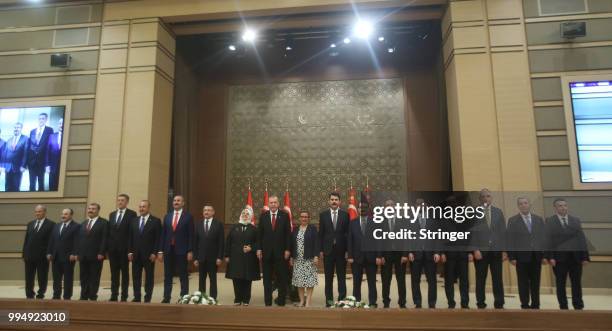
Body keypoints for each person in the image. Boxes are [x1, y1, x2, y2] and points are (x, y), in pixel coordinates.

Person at [546, 198, 590, 310]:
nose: (563, 207)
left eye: (565, 205)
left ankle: (578, 305)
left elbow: (581, 239)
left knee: (576, 283)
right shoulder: (549, 221)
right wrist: (550, 257)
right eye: (560, 206)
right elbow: (547, 241)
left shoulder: (575, 220)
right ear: (555, 208)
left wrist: (585, 257)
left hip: (576, 258)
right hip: (559, 259)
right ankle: (563, 306)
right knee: (560, 284)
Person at [507, 197, 547, 309]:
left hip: (536, 256)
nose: (523, 205)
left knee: (535, 281)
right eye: (521, 204)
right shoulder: (512, 220)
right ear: (518, 206)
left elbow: (543, 239)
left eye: (525, 203)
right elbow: (510, 240)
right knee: (523, 282)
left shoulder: (538, 219)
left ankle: (536, 304)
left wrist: (544, 255)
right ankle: (524, 304)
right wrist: (512, 256)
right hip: (521, 257)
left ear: (529, 205)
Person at [471, 188, 506, 309]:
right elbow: (471, 234)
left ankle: (499, 303)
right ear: (480, 199)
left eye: (488, 196)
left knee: (498, 279)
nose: (486, 198)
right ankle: (480, 303)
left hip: (496, 251)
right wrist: (475, 250)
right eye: (484, 196)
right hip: (480, 252)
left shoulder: (498, 212)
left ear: (491, 198)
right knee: (480, 279)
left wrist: (504, 250)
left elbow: (503, 233)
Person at [257, 195, 291, 306]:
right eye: (271, 203)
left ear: (278, 204)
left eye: (275, 202)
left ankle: (281, 301)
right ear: (269, 204)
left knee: (282, 278)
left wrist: (287, 249)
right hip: (266, 253)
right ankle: (268, 302)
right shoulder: (263, 216)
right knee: (266, 279)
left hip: (281, 253)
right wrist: (259, 249)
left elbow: (288, 235)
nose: (272, 204)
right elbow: (259, 235)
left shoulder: (285, 216)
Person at [159, 195, 194, 303]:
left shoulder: (188, 217)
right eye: (174, 200)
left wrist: (190, 250)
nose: (176, 202)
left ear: (183, 203)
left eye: (178, 200)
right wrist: (160, 251)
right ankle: (166, 297)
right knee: (167, 274)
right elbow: (163, 234)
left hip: (182, 250)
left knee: (183, 274)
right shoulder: (167, 216)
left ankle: (184, 297)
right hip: (168, 249)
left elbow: (191, 235)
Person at [408, 198, 441, 309]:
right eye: (417, 204)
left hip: (430, 255)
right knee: (415, 280)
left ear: (426, 206)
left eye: (422, 204)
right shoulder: (410, 220)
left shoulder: (433, 220)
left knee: (432, 280)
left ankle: (432, 303)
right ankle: (417, 302)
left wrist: (437, 252)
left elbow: (437, 237)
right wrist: (409, 252)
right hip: (415, 255)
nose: (420, 206)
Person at [347, 202, 382, 307]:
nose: (362, 209)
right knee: (356, 283)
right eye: (360, 207)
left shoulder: (375, 222)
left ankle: (372, 302)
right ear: (357, 209)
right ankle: (356, 302)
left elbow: (379, 241)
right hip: (356, 258)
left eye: (365, 208)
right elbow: (350, 240)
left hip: (372, 258)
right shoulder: (352, 223)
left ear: (369, 209)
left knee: (372, 282)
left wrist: (379, 256)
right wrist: (350, 256)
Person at [318, 192, 350, 307]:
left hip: (342, 252)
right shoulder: (323, 215)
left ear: (340, 202)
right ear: (329, 201)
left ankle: (341, 300)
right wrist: (320, 250)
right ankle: (329, 301)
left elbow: (348, 234)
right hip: (328, 251)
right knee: (328, 278)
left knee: (341, 277)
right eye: (332, 199)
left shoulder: (345, 215)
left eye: (336, 199)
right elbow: (321, 234)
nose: (334, 201)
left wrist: (348, 251)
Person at [441, 194, 471, 309]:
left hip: (463, 253)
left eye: (454, 203)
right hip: (449, 254)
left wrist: (469, 252)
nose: (452, 206)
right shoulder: (443, 219)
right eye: (450, 204)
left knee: (464, 279)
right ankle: (451, 302)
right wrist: (442, 252)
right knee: (449, 280)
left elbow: (469, 235)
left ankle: (465, 302)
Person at [128, 200, 161, 303]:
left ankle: (148, 297)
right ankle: (137, 297)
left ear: (148, 208)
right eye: (140, 207)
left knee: (149, 277)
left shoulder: (155, 221)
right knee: (136, 277)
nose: (141, 209)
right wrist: (130, 252)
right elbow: (130, 238)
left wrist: (154, 253)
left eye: (144, 207)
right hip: (136, 254)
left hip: (149, 255)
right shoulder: (134, 220)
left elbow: (158, 238)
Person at [225, 207, 260, 306]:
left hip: (249, 258)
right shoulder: (234, 227)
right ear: (241, 215)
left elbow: (258, 243)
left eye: (247, 214)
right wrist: (227, 255)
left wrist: (251, 248)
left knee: (247, 279)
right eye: (243, 213)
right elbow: (228, 242)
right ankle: (237, 298)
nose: (245, 215)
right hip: (235, 258)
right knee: (236, 278)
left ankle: (246, 299)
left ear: (250, 216)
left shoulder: (254, 229)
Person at [75, 203, 108, 301]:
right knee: (83, 277)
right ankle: (84, 295)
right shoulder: (83, 223)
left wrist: (102, 252)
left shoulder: (104, 223)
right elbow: (79, 240)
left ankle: (93, 295)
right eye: (89, 208)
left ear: (98, 210)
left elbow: (104, 239)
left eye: (93, 209)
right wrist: (78, 253)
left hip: (96, 255)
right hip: (83, 255)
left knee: (94, 277)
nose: (90, 210)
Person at [107, 193, 137, 302]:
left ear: (127, 202)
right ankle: (114, 295)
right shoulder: (112, 214)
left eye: (122, 200)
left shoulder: (132, 214)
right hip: (113, 250)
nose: (120, 202)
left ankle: (124, 296)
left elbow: (131, 233)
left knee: (124, 274)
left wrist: (130, 250)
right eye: (119, 200)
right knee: (114, 274)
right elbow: (109, 233)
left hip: (125, 250)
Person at [380, 199, 408, 308]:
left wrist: (405, 254)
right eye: (387, 205)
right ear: (384, 208)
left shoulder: (403, 220)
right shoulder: (380, 221)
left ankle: (402, 302)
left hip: (400, 255)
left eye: (392, 205)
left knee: (401, 280)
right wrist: (380, 255)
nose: (390, 206)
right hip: (386, 256)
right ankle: (386, 302)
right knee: (386, 280)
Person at [22, 205, 55, 299]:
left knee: (42, 277)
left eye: (39, 211)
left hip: (43, 256)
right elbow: (26, 240)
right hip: (29, 256)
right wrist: (24, 254)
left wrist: (50, 253)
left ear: (44, 212)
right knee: (29, 277)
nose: (37, 213)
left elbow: (51, 241)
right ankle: (29, 294)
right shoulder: (30, 223)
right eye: (36, 211)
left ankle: (41, 293)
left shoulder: (51, 224)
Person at [47, 208, 80, 300]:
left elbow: (77, 241)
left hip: (68, 257)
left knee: (68, 279)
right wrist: (49, 252)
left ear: (71, 215)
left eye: (66, 214)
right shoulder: (57, 226)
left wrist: (74, 253)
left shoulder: (76, 226)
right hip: (55, 256)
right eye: (62, 214)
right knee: (56, 278)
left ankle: (67, 296)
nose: (63, 216)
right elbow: (52, 240)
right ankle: (56, 295)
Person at [193, 204, 224, 299]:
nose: (206, 212)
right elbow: (195, 242)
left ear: (213, 212)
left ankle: (212, 298)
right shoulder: (198, 224)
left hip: (213, 258)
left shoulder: (218, 224)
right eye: (205, 210)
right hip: (201, 257)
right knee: (201, 280)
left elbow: (221, 242)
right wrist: (195, 258)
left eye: (209, 210)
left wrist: (219, 257)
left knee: (213, 279)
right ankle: (202, 298)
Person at [289, 211, 319, 307]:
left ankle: (308, 302)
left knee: (310, 281)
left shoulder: (313, 229)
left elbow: (316, 244)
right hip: (298, 259)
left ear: (308, 218)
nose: (304, 218)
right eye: (302, 217)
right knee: (299, 281)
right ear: (299, 218)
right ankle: (302, 301)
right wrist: (292, 257)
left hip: (309, 259)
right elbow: (292, 244)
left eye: (306, 217)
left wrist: (316, 256)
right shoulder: (295, 229)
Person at [27, 113, 53, 191]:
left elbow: (49, 146)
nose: (41, 120)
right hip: (32, 162)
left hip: (42, 161)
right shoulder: (32, 131)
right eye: (40, 118)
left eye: (43, 118)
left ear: (46, 120)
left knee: (41, 183)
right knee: (31, 184)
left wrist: (48, 163)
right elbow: (29, 146)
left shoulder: (49, 130)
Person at [1, 123, 28, 192]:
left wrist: (23, 166)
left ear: (21, 129)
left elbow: (26, 153)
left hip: (18, 167)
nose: (16, 129)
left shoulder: (25, 139)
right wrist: (3, 166)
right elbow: (5, 154)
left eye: (18, 127)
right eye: (15, 127)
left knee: (16, 187)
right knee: (7, 186)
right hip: (8, 167)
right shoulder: (9, 140)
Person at [45, 118, 63, 191]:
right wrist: (47, 165)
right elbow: (47, 151)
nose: (61, 125)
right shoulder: (52, 136)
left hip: (63, 168)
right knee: (52, 187)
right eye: (60, 123)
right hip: (52, 167)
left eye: (63, 123)